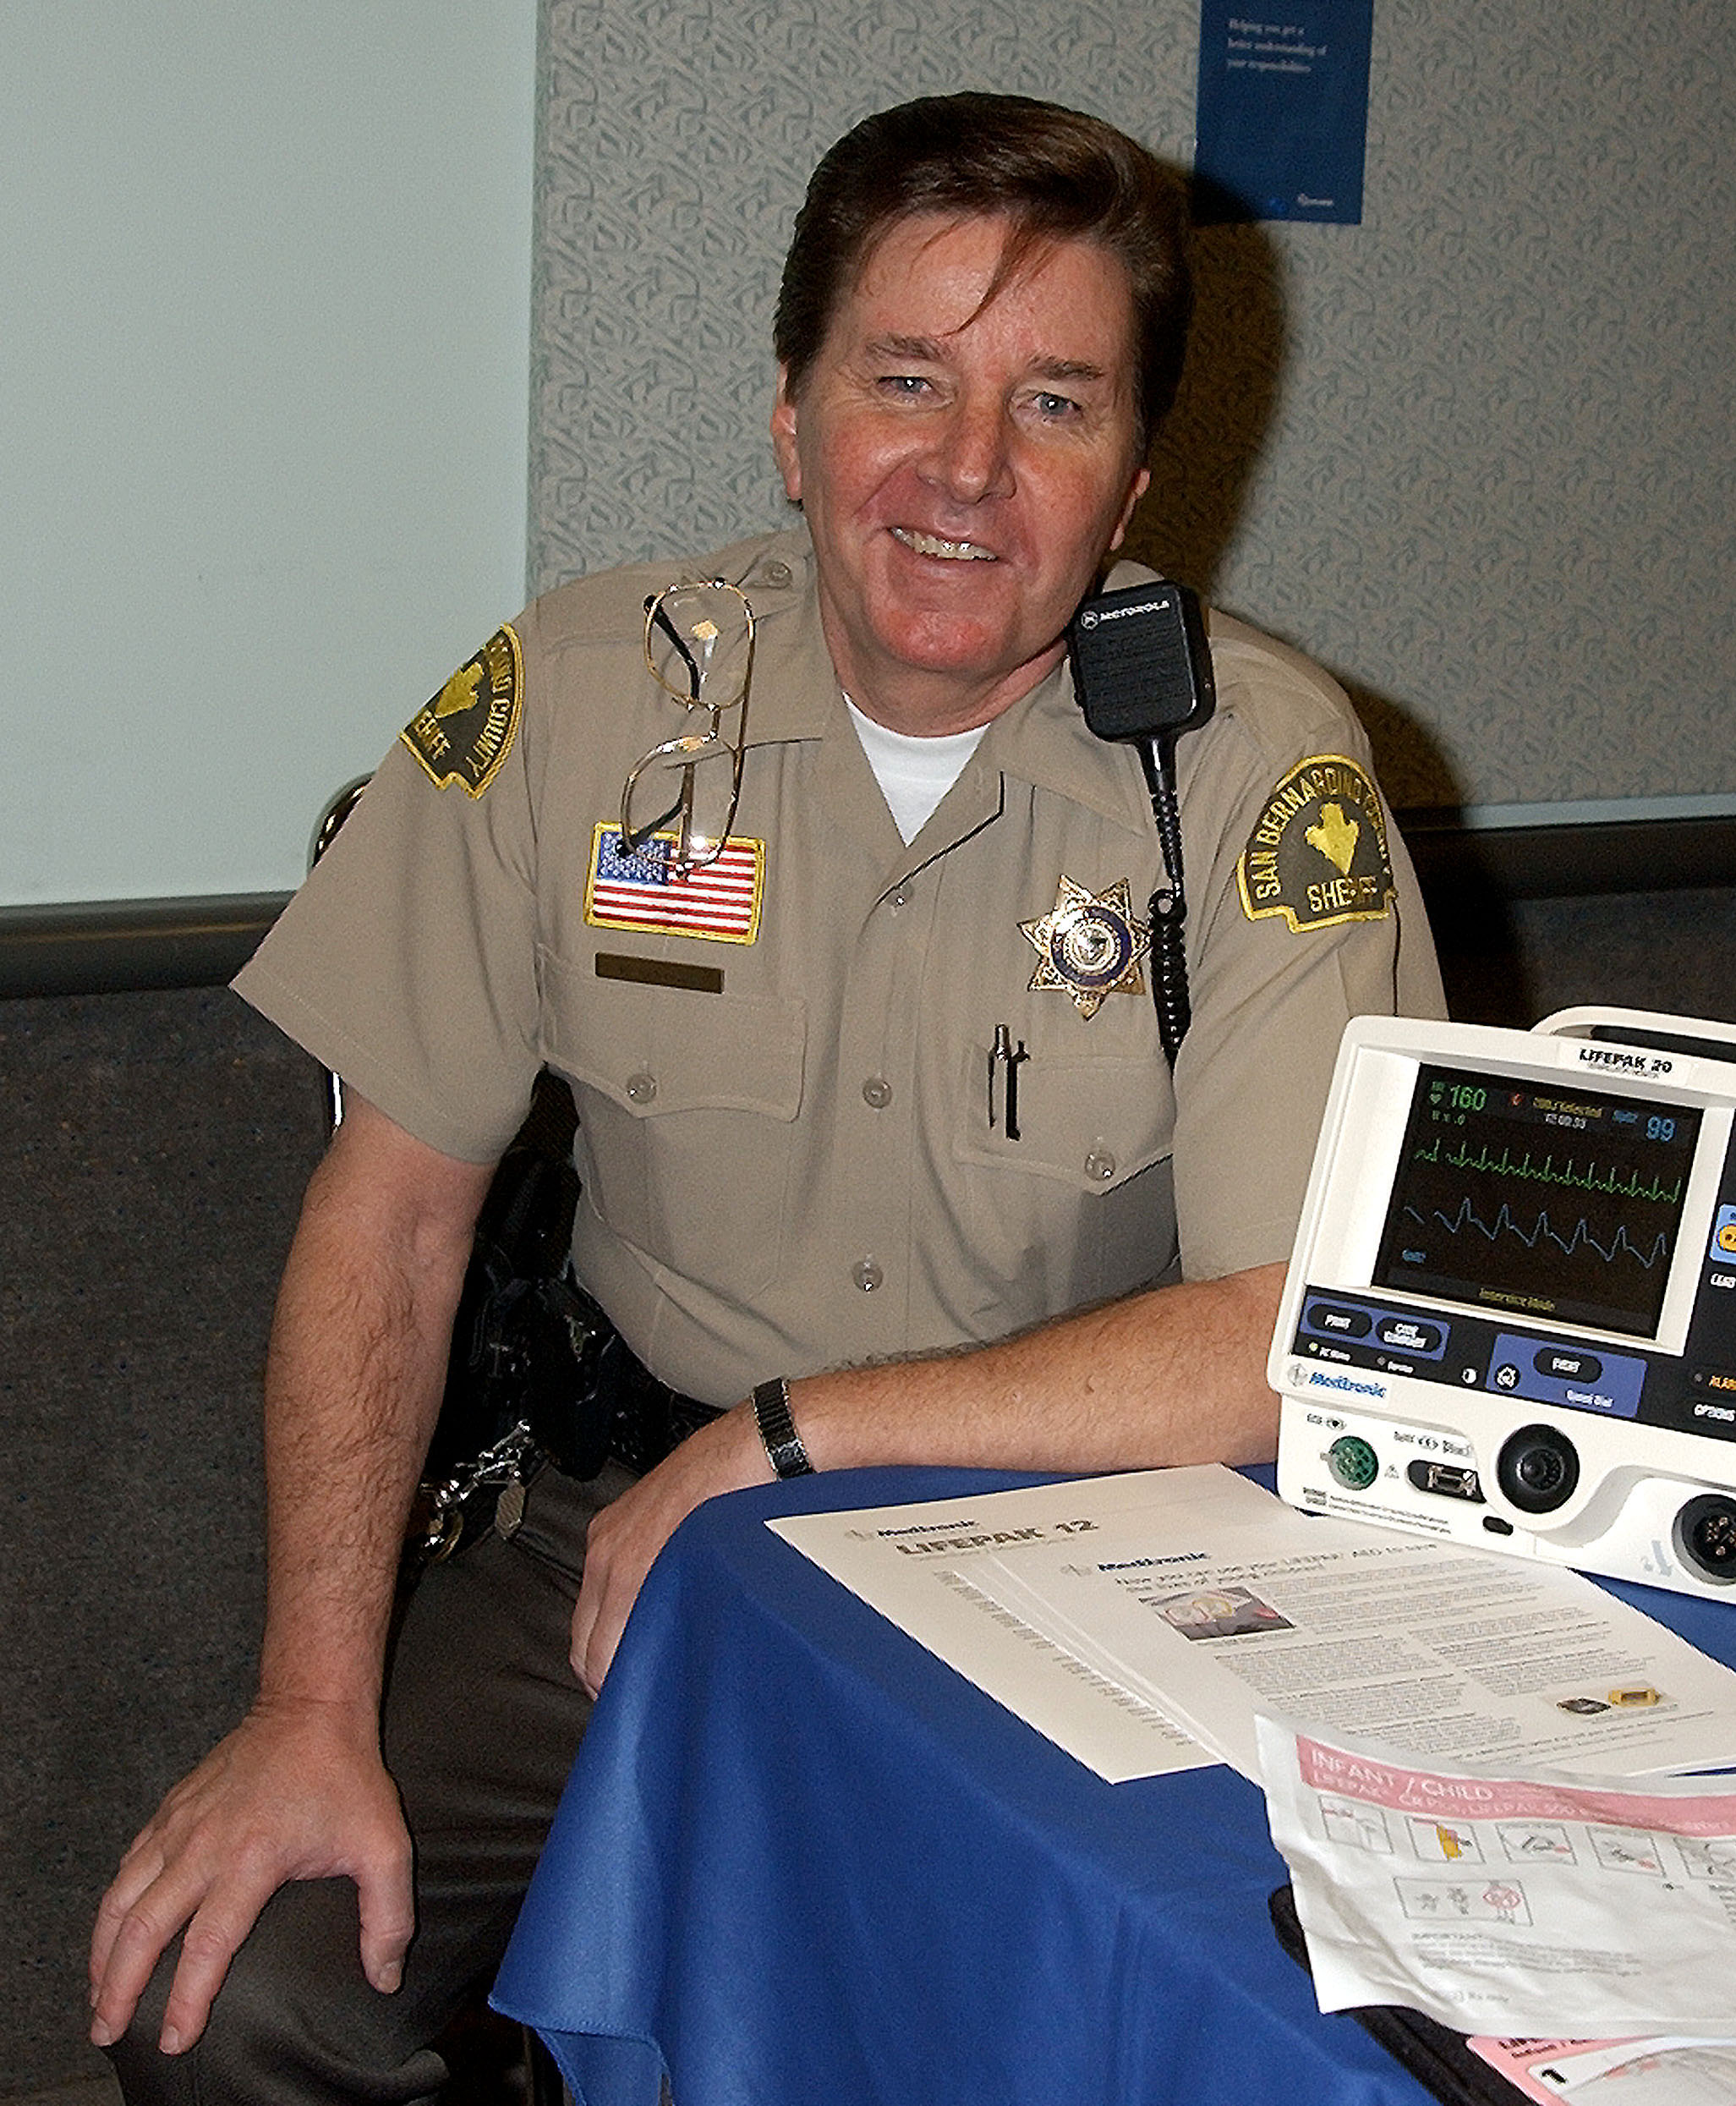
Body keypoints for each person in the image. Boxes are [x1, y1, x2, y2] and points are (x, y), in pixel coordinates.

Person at [90, 91, 1442, 2102]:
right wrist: (308, 1704)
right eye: (905, 381)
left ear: (1139, 475)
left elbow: (1284, 1341)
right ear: (792, 420)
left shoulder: (1257, 778)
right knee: (251, 2000)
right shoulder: (582, 707)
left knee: (1085, 2029)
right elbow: (388, 1216)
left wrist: (796, 1440)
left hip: (1082, 1554)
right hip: (612, 1533)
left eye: (1055, 405)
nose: (968, 471)